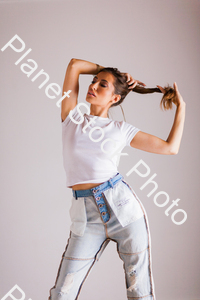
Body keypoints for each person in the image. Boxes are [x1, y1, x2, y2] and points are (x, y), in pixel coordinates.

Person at [48, 58, 186, 300]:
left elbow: (170, 148)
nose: (93, 86)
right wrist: (116, 73)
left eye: (102, 85)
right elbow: (73, 66)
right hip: (85, 217)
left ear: (115, 98)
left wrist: (181, 108)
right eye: (93, 81)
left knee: (139, 293)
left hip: (123, 211)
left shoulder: (121, 129)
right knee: (62, 294)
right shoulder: (72, 118)